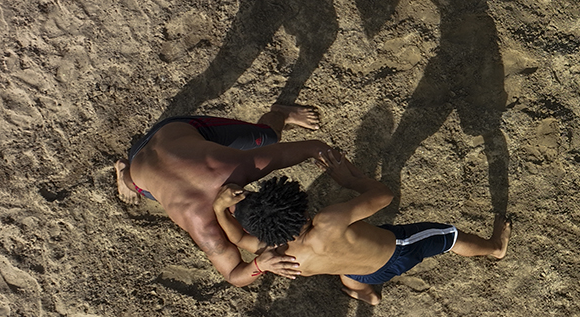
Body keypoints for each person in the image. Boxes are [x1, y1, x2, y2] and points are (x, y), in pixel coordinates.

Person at [213, 149, 512, 304]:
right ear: (300, 208)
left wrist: (219, 209)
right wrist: (348, 180)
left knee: (351, 274)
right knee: (450, 236)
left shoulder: (275, 254)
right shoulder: (327, 222)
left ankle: (368, 295)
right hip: (399, 251)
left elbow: (238, 237)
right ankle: (495, 249)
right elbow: (384, 196)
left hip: (359, 271)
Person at [114, 105, 336, 287]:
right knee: (139, 183)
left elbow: (313, 147)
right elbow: (232, 275)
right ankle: (281, 113)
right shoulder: (202, 226)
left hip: (169, 136)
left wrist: (335, 162)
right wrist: (259, 265)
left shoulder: (239, 166)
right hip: (154, 153)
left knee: (269, 138)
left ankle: (125, 174)